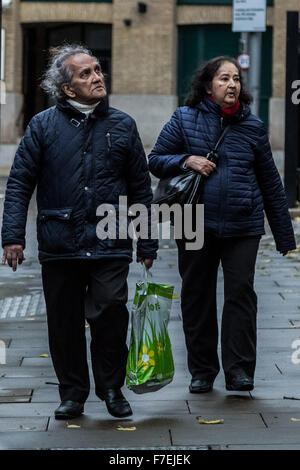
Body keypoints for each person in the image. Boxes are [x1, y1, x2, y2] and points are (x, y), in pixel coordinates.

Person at [1, 44, 158, 419]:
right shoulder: (42, 125)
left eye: (97, 70)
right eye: (85, 74)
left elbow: (140, 188)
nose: (97, 77)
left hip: (111, 240)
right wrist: (12, 237)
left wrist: (147, 240)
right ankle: (72, 393)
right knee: (64, 322)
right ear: (67, 89)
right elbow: (20, 182)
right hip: (60, 240)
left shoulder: (122, 125)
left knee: (110, 314)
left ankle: (112, 388)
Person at [148, 56, 296, 394]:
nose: (232, 84)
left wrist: (284, 234)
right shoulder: (184, 119)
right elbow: (155, 160)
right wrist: (186, 159)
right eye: (224, 78)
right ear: (207, 86)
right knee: (197, 296)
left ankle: (239, 370)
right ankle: (202, 371)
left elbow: (271, 182)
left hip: (243, 223)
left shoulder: (253, 127)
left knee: (241, 295)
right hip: (193, 221)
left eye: (236, 79)